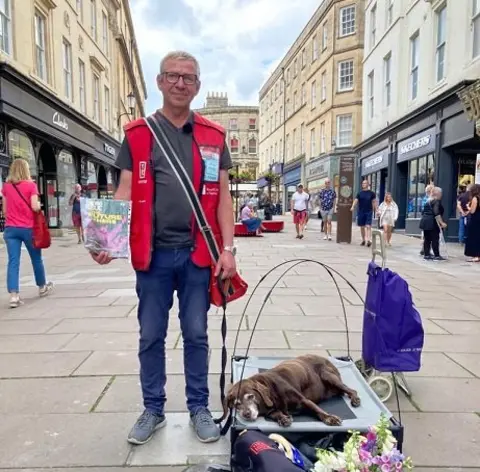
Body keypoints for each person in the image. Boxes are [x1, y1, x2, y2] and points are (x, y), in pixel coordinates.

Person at [91, 51, 237, 445]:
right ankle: (153, 409)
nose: (179, 83)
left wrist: (228, 249)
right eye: (172, 76)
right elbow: (123, 190)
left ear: (198, 86)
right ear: (159, 82)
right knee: (151, 336)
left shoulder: (213, 136)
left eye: (188, 78)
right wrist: (106, 239)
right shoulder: (138, 133)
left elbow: (224, 197)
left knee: (196, 334)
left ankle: (199, 407)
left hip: (197, 255)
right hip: (152, 257)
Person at [2, 158, 54, 308]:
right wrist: (39, 204)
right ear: (26, 170)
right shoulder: (31, 186)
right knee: (36, 259)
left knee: (13, 262)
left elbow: (4, 211)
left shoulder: (6, 187)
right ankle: (42, 287)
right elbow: (34, 206)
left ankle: (14, 295)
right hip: (28, 228)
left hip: (11, 229)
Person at [419, 186, 447, 261]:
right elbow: (436, 213)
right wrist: (442, 223)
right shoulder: (436, 201)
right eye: (441, 193)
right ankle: (437, 255)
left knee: (427, 239)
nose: (441, 195)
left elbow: (423, 212)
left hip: (425, 222)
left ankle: (426, 255)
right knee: (435, 239)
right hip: (432, 223)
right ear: (438, 193)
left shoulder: (428, 201)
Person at [350, 180, 376, 247]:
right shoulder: (360, 193)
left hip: (369, 211)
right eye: (363, 183)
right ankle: (363, 240)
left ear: (368, 184)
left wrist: (377, 210)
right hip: (361, 211)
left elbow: (374, 202)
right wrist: (353, 206)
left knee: (368, 226)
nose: (363, 184)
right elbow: (356, 200)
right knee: (362, 226)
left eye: (365, 183)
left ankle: (369, 240)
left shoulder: (372, 193)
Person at [464, 184, 480, 262]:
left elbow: (473, 211)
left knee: (474, 237)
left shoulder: (475, 198)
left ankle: (476, 255)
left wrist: (468, 207)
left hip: (475, 220)